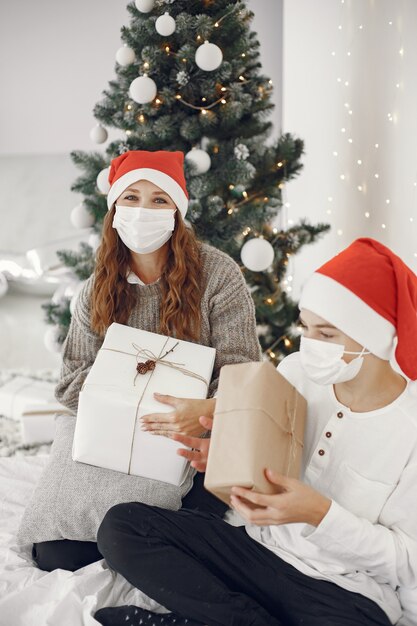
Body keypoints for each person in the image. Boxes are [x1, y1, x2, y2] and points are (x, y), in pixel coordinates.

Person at [94, 238, 417, 626]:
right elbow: (268, 456)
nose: (310, 344)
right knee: (122, 527)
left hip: (344, 591)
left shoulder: (408, 428)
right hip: (255, 549)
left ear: (376, 339)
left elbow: (407, 564)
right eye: (306, 327)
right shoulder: (298, 372)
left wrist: (318, 513)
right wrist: (228, 454)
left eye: (327, 334)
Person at [32, 150, 261, 572]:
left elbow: (242, 370)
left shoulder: (218, 275)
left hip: (193, 440)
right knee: (56, 555)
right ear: (114, 209)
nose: (143, 211)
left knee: (198, 517)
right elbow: (70, 381)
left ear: (177, 211)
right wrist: (124, 403)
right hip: (111, 440)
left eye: (159, 200)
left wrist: (208, 411)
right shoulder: (96, 288)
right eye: (131, 198)